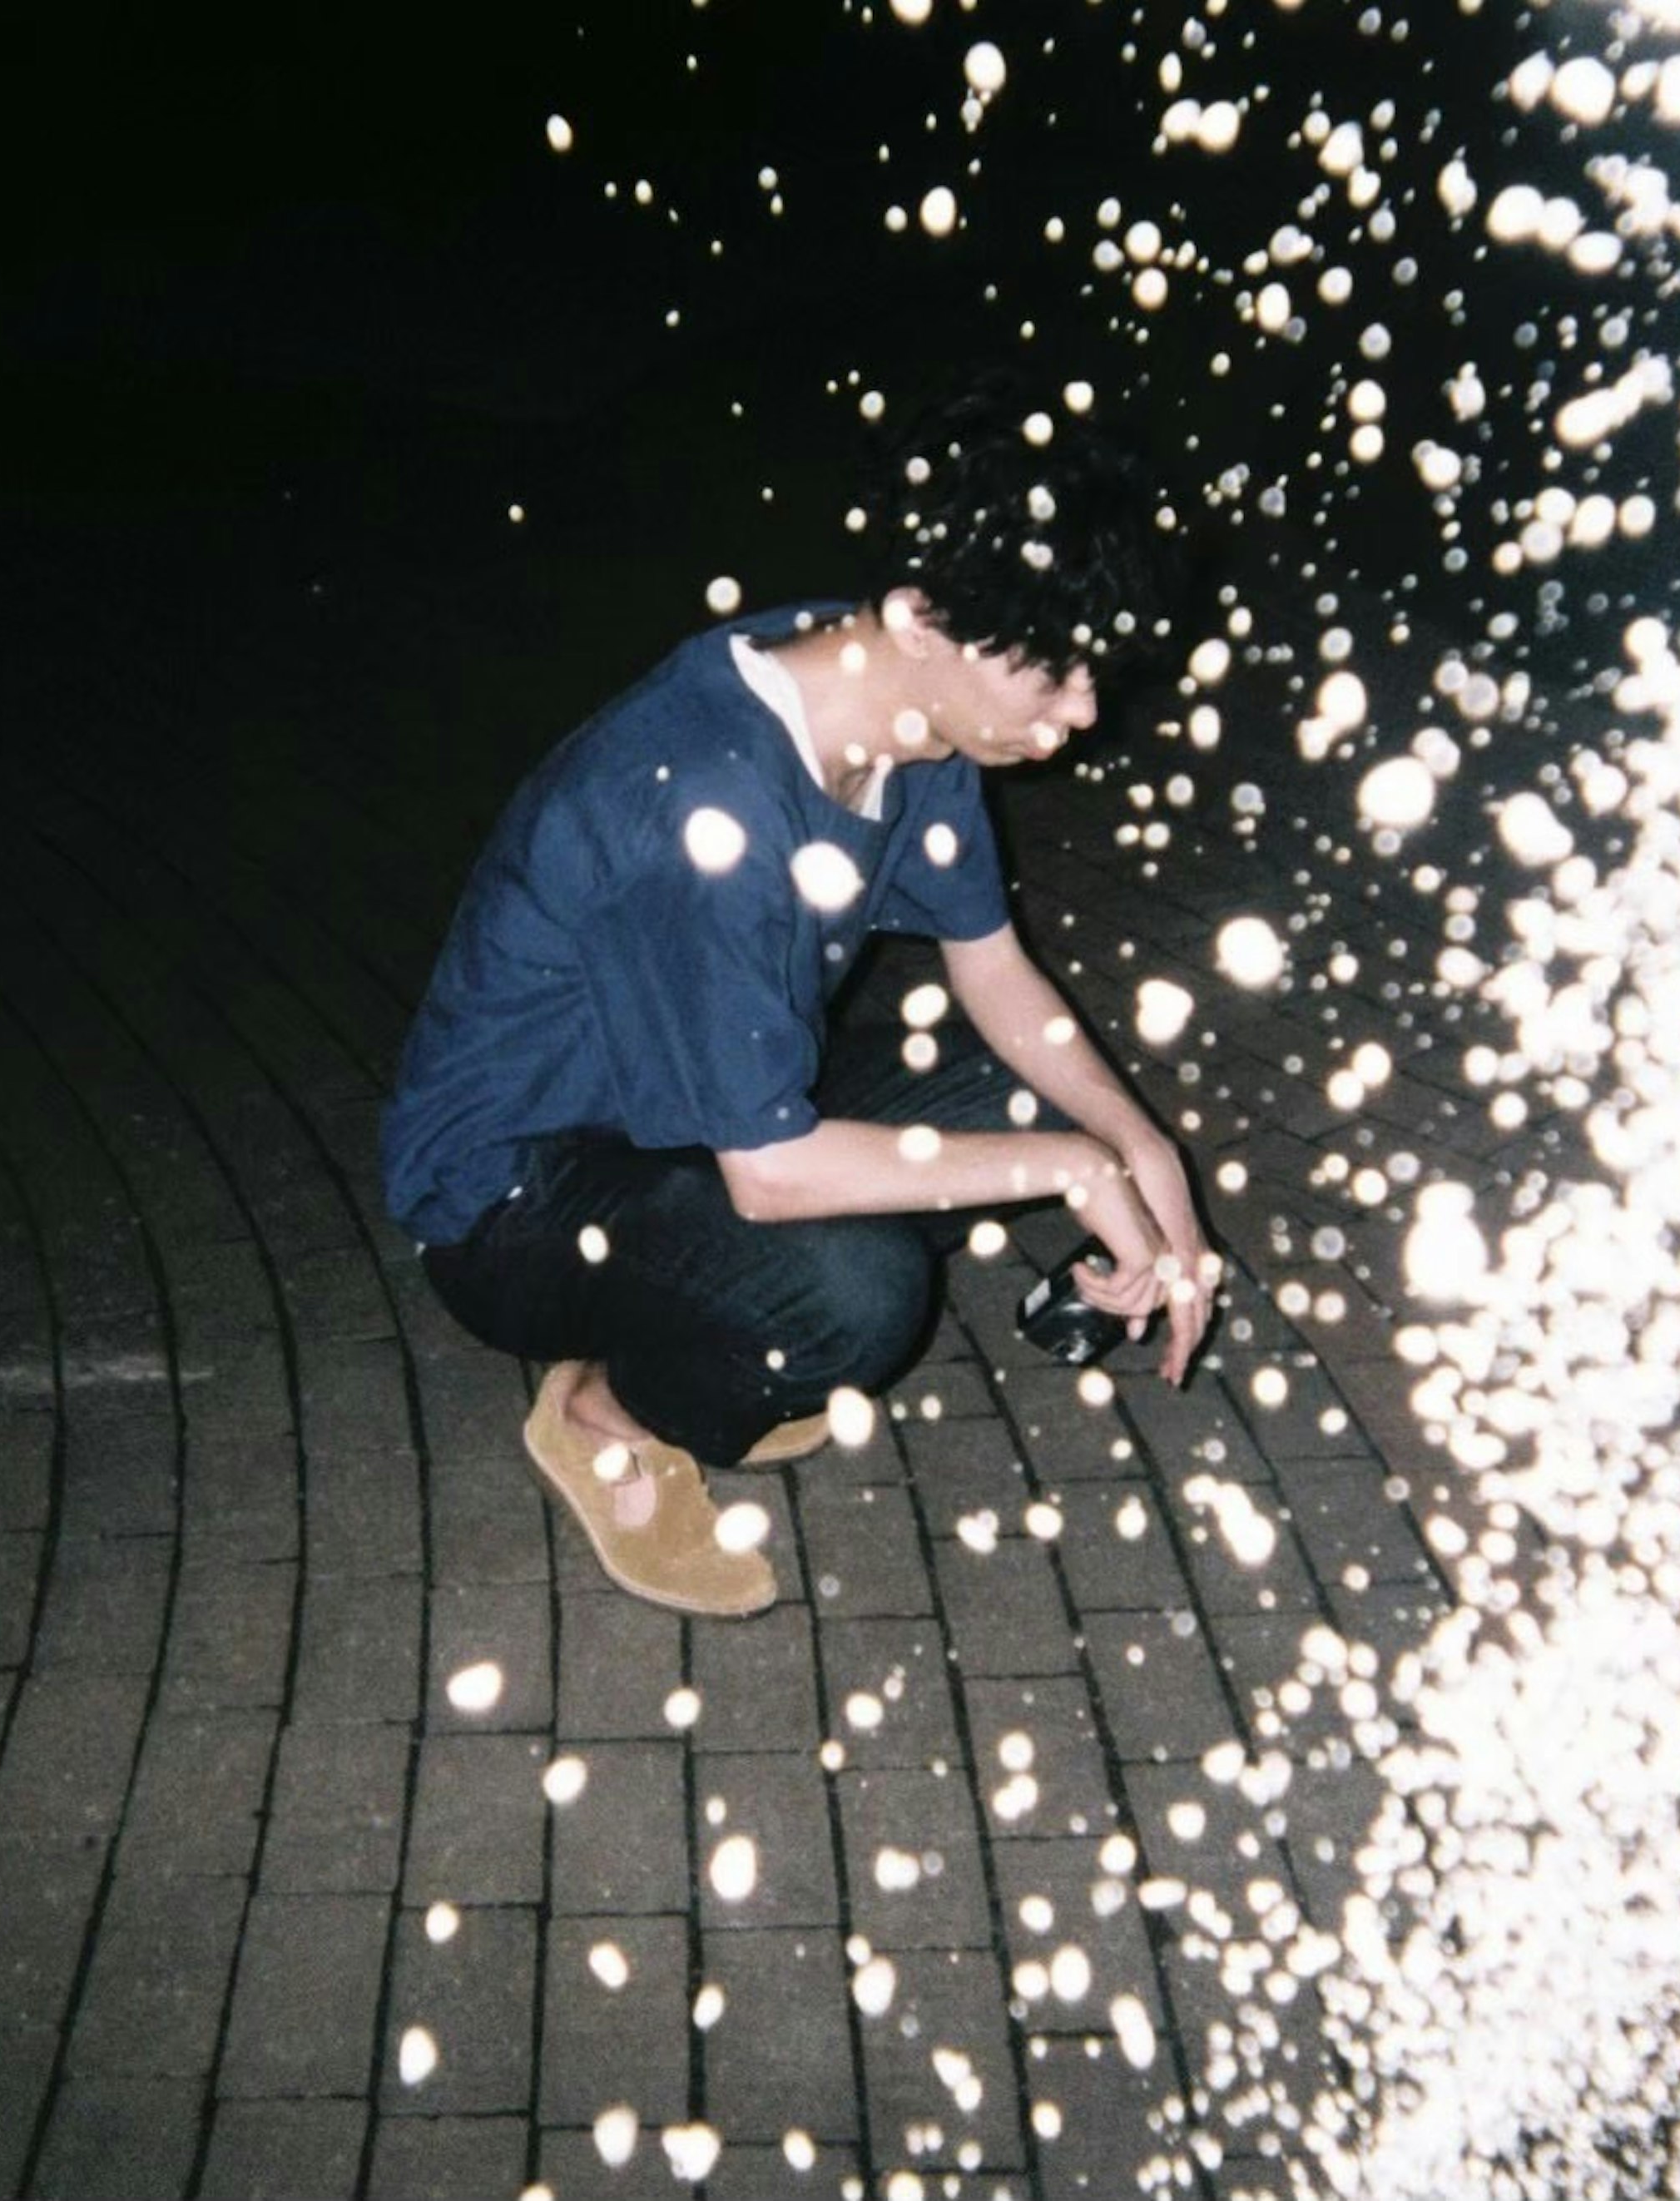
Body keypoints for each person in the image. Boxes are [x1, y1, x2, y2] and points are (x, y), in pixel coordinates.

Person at [379, 376, 1219, 1615]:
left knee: (1012, 1077)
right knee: (855, 1296)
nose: (1082, 711)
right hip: (514, 1192)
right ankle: (606, 1410)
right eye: (1050, 671)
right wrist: (1069, 1167)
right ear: (923, 618)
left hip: (679, 1110)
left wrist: (1144, 1155)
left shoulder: (898, 703)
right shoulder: (705, 799)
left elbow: (994, 968)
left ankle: (703, 1309)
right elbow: (771, 1174)